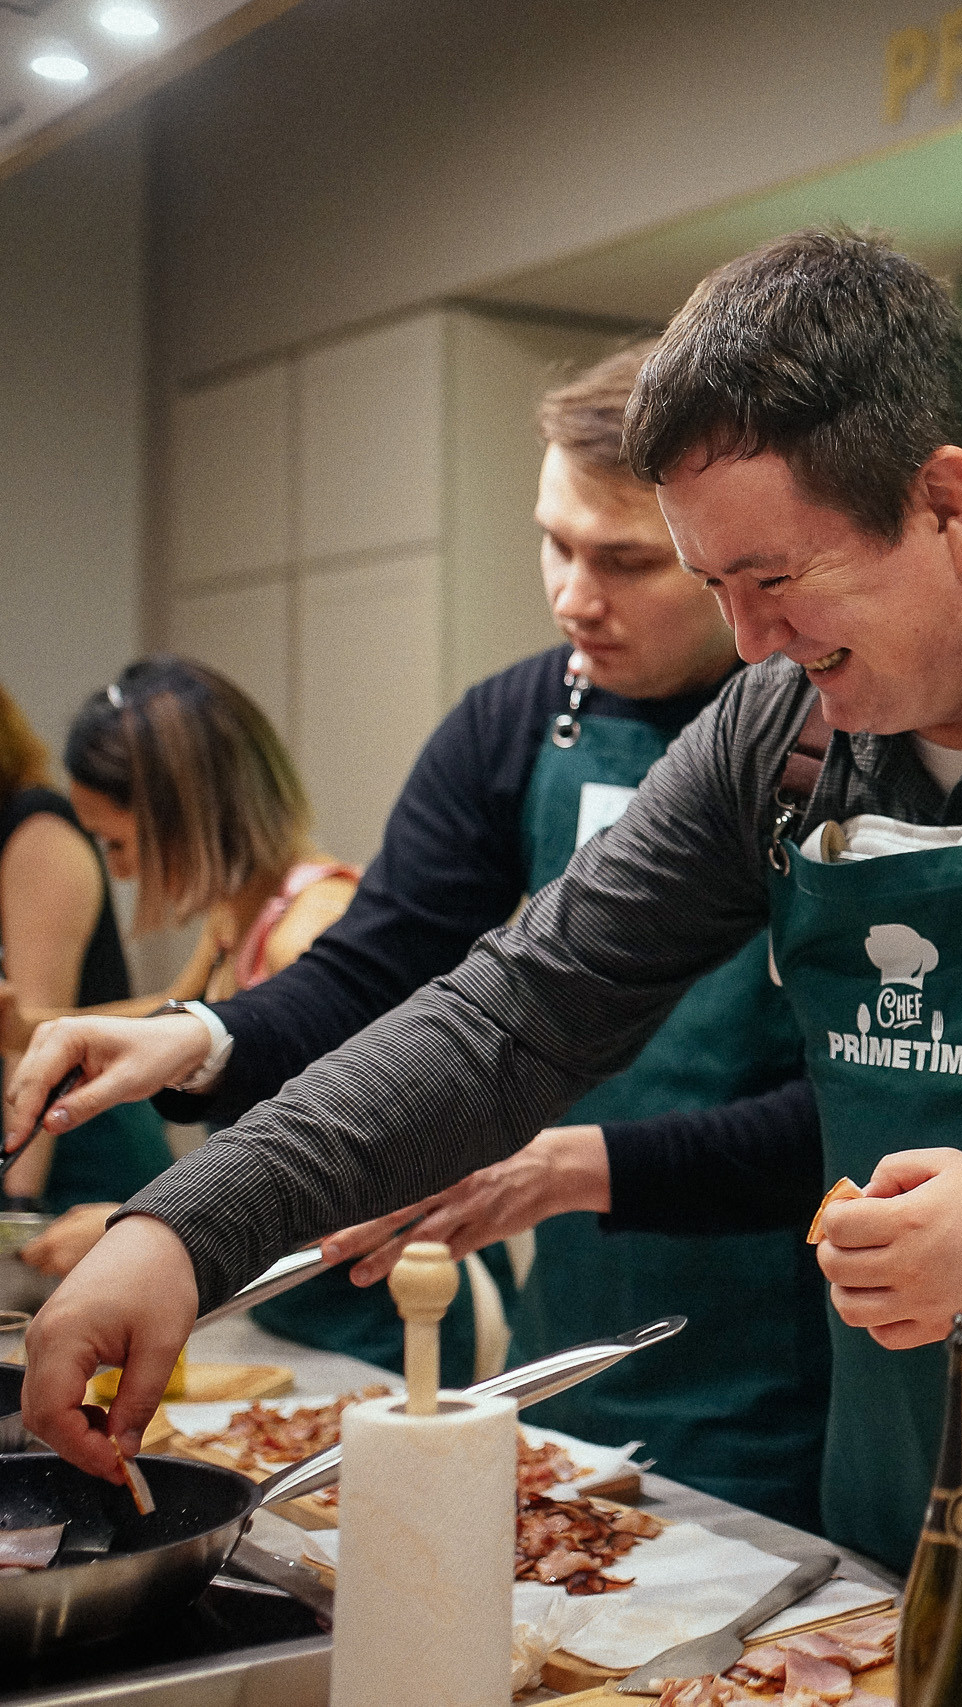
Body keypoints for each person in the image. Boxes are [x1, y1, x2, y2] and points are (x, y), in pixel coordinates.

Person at [11, 226, 962, 1707]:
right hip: (892, 1552)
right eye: (714, 585)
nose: (745, 643)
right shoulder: (788, 728)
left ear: (945, 502)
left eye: (773, 579)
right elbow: (518, 1009)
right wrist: (183, 1233)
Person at [11, 345, 834, 1527]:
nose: (572, 596)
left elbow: (866, 1097)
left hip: (798, 1344)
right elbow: (385, 979)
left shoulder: (830, 728)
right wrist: (197, 1037)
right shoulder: (513, 723)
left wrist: (574, 1167)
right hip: (576, 1329)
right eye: (554, 544)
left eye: (625, 560)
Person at [2, 658, 353, 1252]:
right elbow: (167, 1022)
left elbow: (347, 1167)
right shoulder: (232, 920)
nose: (118, 871)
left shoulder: (306, 933)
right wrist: (27, 1028)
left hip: (363, 1289)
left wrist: (142, 1221)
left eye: (116, 843)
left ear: (186, 819)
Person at [0, 681, 172, 1226]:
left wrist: (17, 1207)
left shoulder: (36, 829)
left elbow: (31, 1052)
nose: (120, 869)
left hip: (74, 1141)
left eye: (116, 844)